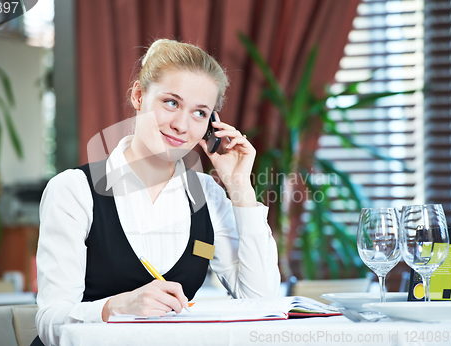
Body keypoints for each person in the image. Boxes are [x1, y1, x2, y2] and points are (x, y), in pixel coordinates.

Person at [33, 39, 280, 346]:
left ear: (212, 125)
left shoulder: (208, 196)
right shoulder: (73, 190)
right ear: (138, 96)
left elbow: (263, 302)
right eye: (171, 103)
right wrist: (115, 307)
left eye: (200, 113)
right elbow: (50, 322)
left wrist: (240, 188)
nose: (181, 125)